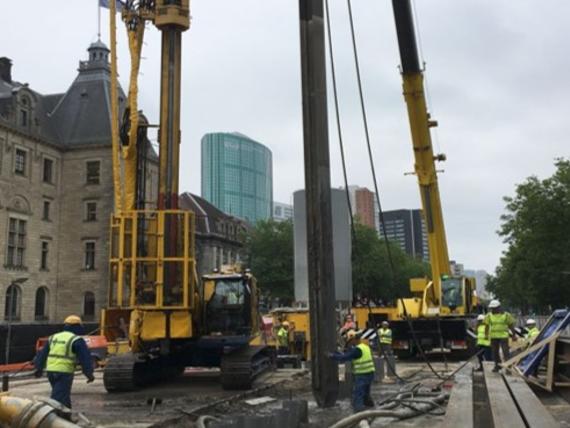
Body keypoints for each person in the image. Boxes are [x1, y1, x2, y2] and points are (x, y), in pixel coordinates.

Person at [34, 315, 95, 409]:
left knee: (63, 395)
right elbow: (85, 359)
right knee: (58, 398)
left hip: (51, 371)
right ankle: (51, 417)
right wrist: (89, 374)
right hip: (64, 372)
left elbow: (42, 354)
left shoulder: (53, 337)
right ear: (77, 327)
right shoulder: (76, 340)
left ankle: (66, 416)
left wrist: (38, 369)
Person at [328, 330, 375, 413]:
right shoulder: (365, 346)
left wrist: (332, 356)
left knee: (358, 392)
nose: (350, 343)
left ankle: (358, 409)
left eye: (350, 341)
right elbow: (350, 354)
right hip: (370, 372)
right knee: (366, 391)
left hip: (361, 374)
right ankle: (369, 405)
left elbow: (345, 357)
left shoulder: (356, 350)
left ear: (354, 340)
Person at [484, 300, 516, 372]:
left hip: (503, 336)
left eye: (494, 308)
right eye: (492, 308)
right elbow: (487, 326)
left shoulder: (506, 315)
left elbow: (511, 325)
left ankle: (508, 367)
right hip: (494, 336)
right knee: (495, 353)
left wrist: (514, 335)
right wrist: (486, 335)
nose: (493, 309)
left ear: (499, 307)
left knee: (506, 352)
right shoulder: (489, 316)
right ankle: (497, 366)